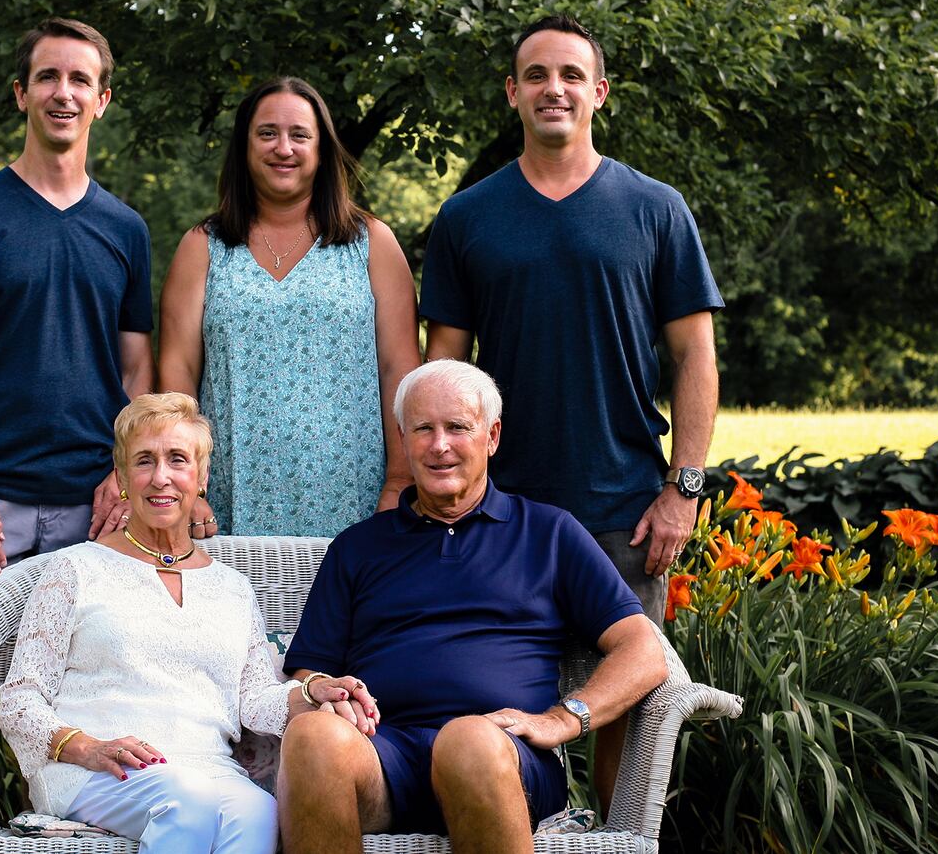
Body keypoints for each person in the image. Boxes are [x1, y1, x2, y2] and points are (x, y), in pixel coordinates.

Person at [419, 14, 721, 802]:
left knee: (624, 700)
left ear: (599, 92)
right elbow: (441, 369)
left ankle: (614, 843)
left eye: (572, 75)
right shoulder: (467, 217)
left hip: (622, 505)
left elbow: (694, 356)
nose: (555, 88)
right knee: (484, 698)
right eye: (538, 75)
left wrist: (684, 488)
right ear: (513, 92)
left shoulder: (656, 208)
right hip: (496, 509)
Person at [0, 18, 154, 854]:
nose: (64, 93)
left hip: (91, 511)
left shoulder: (124, 228)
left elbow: (136, 373)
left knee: (84, 698)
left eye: (81, 80)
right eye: (48, 77)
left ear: (103, 100)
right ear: (22, 93)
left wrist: (123, 475)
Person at [277, 360, 667, 854]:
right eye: (424, 429)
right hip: (384, 756)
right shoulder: (358, 548)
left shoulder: (549, 533)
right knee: (312, 738)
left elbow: (642, 649)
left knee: (467, 739)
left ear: (492, 436)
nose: (440, 445)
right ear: (402, 438)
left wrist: (564, 720)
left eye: (458, 427)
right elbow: (309, 672)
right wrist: (323, 692)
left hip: (501, 756)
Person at [0, 393, 378, 853]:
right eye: (144, 461)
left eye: (178, 460)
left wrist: (312, 690)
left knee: (257, 813)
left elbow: (254, 703)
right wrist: (86, 747)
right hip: (96, 771)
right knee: (189, 802)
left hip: (208, 769)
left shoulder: (232, 588)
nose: (162, 477)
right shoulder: (73, 570)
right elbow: (20, 700)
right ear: (120, 477)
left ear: (201, 477)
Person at [158, 76, 421, 537]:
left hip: (354, 495)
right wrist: (189, 490)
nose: (284, 147)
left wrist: (400, 482)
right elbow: (178, 374)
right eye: (267, 133)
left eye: (300, 135)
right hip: (225, 500)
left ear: (322, 150)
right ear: (244, 146)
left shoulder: (371, 243)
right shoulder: (204, 247)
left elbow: (398, 369)